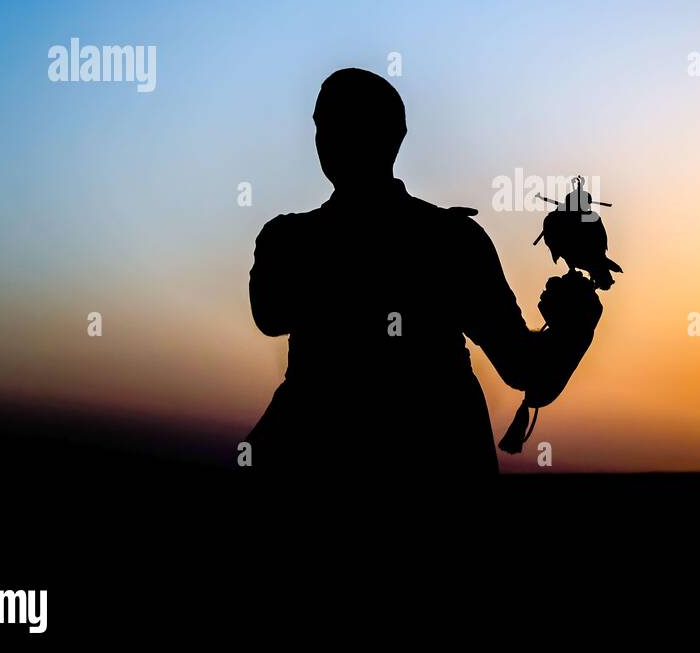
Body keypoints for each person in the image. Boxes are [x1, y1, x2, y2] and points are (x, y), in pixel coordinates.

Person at [245, 69, 602, 479]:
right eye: (323, 125)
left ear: (391, 137)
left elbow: (270, 315)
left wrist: (573, 325)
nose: (326, 138)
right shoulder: (453, 240)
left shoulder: (288, 238)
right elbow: (526, 369)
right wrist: (575, 326)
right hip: (434, 456)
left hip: (318, 455)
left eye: (333, 124)